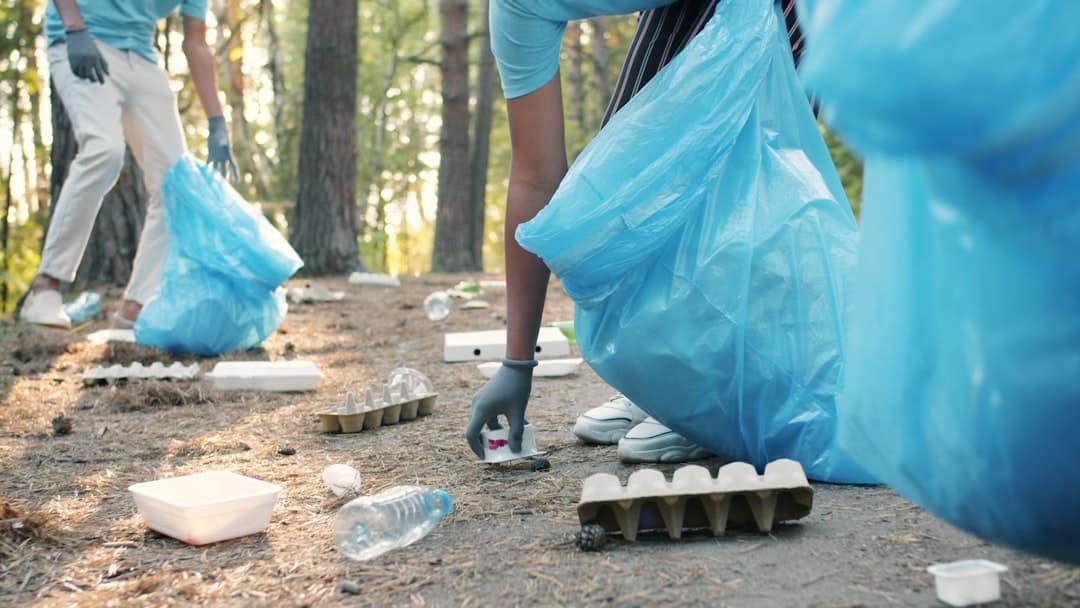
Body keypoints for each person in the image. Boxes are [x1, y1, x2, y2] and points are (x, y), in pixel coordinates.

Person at [466, 0, 808, 463]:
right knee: (624, 163)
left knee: (728, 170)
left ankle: (717, 387)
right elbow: (535, 177)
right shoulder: (515, 8)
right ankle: (663, 376)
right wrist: (517, 363)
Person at [19, 0, 236, 330]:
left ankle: (136, 309)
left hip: (141, 56)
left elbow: (196, 41)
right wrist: (74, 28)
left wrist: (217, 121)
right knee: (104, 150)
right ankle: (45, 290)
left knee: (176, 183)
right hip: (82, 40)